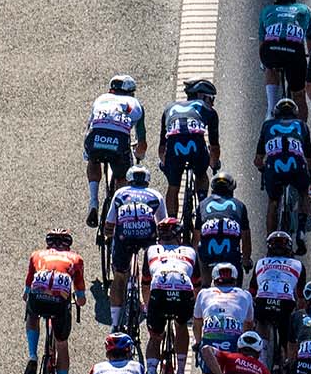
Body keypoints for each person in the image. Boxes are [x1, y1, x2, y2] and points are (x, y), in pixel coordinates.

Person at [23, 228, 87, 374]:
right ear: (68, 245)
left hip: (38, 300)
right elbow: (81, 297)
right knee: (62, 345)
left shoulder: (36, 255)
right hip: (59, 304)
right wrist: (78, 299)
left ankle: (33, 355)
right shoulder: (75, 259)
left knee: (32, 314)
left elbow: (26, 292)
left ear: (48, 244)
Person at [102, 164, 168, 329]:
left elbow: (109, 225)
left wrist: (109, 237)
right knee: (149, 276)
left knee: (119, 276)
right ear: (147, 181)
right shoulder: (155, 195)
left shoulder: (121, 193)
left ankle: (115, 323)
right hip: (148, 236)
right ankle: (147, 305)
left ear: (129, 180)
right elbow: (164, 226)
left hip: (124, 236)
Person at [196, 263, 256, 374]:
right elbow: (248, 325)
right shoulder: (245, 295)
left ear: (214, 280)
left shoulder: (204, 293)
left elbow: (198, 322)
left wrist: (198, 342)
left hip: (211, 339)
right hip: (233, 341)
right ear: (235, 280)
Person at [84, 74, 148, 228]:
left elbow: (89, 126)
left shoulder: (100, 99)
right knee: (122, 177)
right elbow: (141, 141)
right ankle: (118, 212)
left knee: (93, 160)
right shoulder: (134, 103)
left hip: (95, 137)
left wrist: (88, 154)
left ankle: (93, 201)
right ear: (131, 92)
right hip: (118, 141)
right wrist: (139, 155)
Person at [143, 219, 199, 374]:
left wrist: (147, 307)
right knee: (181, 327)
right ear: (179, 236)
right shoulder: (190, 252)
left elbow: (145, 284)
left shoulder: (151, 250)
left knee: (155, 337)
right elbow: (197, 285)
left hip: (159, 291)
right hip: (183, 292)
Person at [254, 98, 311, 252]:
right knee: (303, 193)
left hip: (275, 169)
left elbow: (258, 160)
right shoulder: (302, 126)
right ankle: (301, 231)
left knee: (273, 201)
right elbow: (310, 160)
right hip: (297, 167)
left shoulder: (267, 125)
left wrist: (262, 169)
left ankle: (270, 238)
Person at [160, 78, 221, 218]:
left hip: (174, 146)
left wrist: (165, 164)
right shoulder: (208, 110)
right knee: (201, 175)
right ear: (202, 96)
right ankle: (203, 212)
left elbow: (162, 146)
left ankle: (172, 223)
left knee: (173, 186)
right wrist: (213, 163)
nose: (213, 102)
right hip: (196, 145)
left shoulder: (169, 108)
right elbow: (214, 146)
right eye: (211, 98)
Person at [259, 0, 311, 119]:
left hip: (271, 49)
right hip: (294, 52)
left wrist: (264, 63)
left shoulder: (266, 11)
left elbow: (262, 42)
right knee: (299, 95)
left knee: (269, 66)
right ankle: (302, 130)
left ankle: (271, 109)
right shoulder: (305, 10)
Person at [250, 232, 305, 352]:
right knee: (288, 338)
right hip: (286, 305)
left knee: (260, 326)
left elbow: (252, 291)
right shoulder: (298, 264)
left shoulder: (260, 263)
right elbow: (301, 297)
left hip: (263, 302)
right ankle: (286, 359)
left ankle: (262, 353)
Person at [194, 172, 252, 284]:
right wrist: (245, 260)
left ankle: (204, 289)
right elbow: (246, 237)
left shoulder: (202, 204)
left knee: (204, 282)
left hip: (208, 254)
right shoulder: (240, 206)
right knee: (236, 285)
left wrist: (196, 264)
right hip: (230, 255)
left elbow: (196, 238)